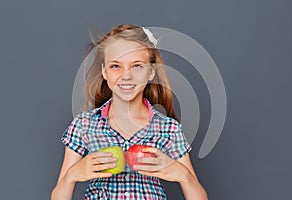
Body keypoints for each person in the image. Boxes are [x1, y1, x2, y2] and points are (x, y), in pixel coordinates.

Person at [51, 24, 208, 200]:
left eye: (137, 66)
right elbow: (59, 194)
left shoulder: (168, 129)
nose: (126, 76)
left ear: (151, 72)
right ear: (104, 71)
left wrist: (183, 175)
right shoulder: (84, 125)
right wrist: (72, 176)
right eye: (116, 66)